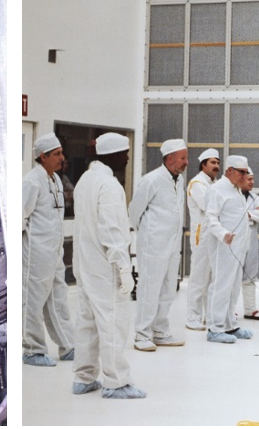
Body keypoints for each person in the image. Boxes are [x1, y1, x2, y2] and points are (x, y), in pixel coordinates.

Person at [71, 132, 144, 399]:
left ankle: (83, 377)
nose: (126, 158)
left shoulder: (84, 181)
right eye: (124, 153)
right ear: (112, 155)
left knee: (87, 322)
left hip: (85, 264)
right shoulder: (110, 185)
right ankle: (116, 382)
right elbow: (112, 231)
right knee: (113, 321)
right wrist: (124, 269)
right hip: (105, 266)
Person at [22, 134, 75, 367]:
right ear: (43, 157)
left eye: (61, 153)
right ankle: (33, 349)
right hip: (35, 252)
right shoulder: (32, 181)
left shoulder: (54, 180)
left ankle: (67, 345)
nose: (62, 158)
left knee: (58, 299)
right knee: (32, 300)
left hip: (54, 251)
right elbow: (19, 216)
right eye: (57, 154)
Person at [130, 139, 188, 351]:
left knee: (168, 289)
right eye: (183, 158)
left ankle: (160, 331)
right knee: (149, 289)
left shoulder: (179, 180)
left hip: (173, 244)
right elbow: (134, 212)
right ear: (170, 159)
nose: (186, 162)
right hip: (153, 244)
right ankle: (142, 334)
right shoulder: (151, 180)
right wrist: (147, 234)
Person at [203, 155, 259, 344]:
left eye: (246, 172)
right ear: (229, 171)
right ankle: (215, 328)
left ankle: (230, 325)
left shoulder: (235, 190)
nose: (245, 176)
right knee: (221, 285)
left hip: (238, 248)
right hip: (224, 246)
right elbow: (211, 218)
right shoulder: (217, 190)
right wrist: (223, 233)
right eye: (242, 172)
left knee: (234, 286)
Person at [184, 148, 220, 331]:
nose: (216, 166)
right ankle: (193, 316)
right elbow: (210, 206)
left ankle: (209, 315)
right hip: (202, 236)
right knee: (199, 278)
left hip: (214, 236)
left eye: (218, 163)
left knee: (212, 278)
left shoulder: (215, 183)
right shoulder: (197, 183)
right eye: (213, 162)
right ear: (203, 164)